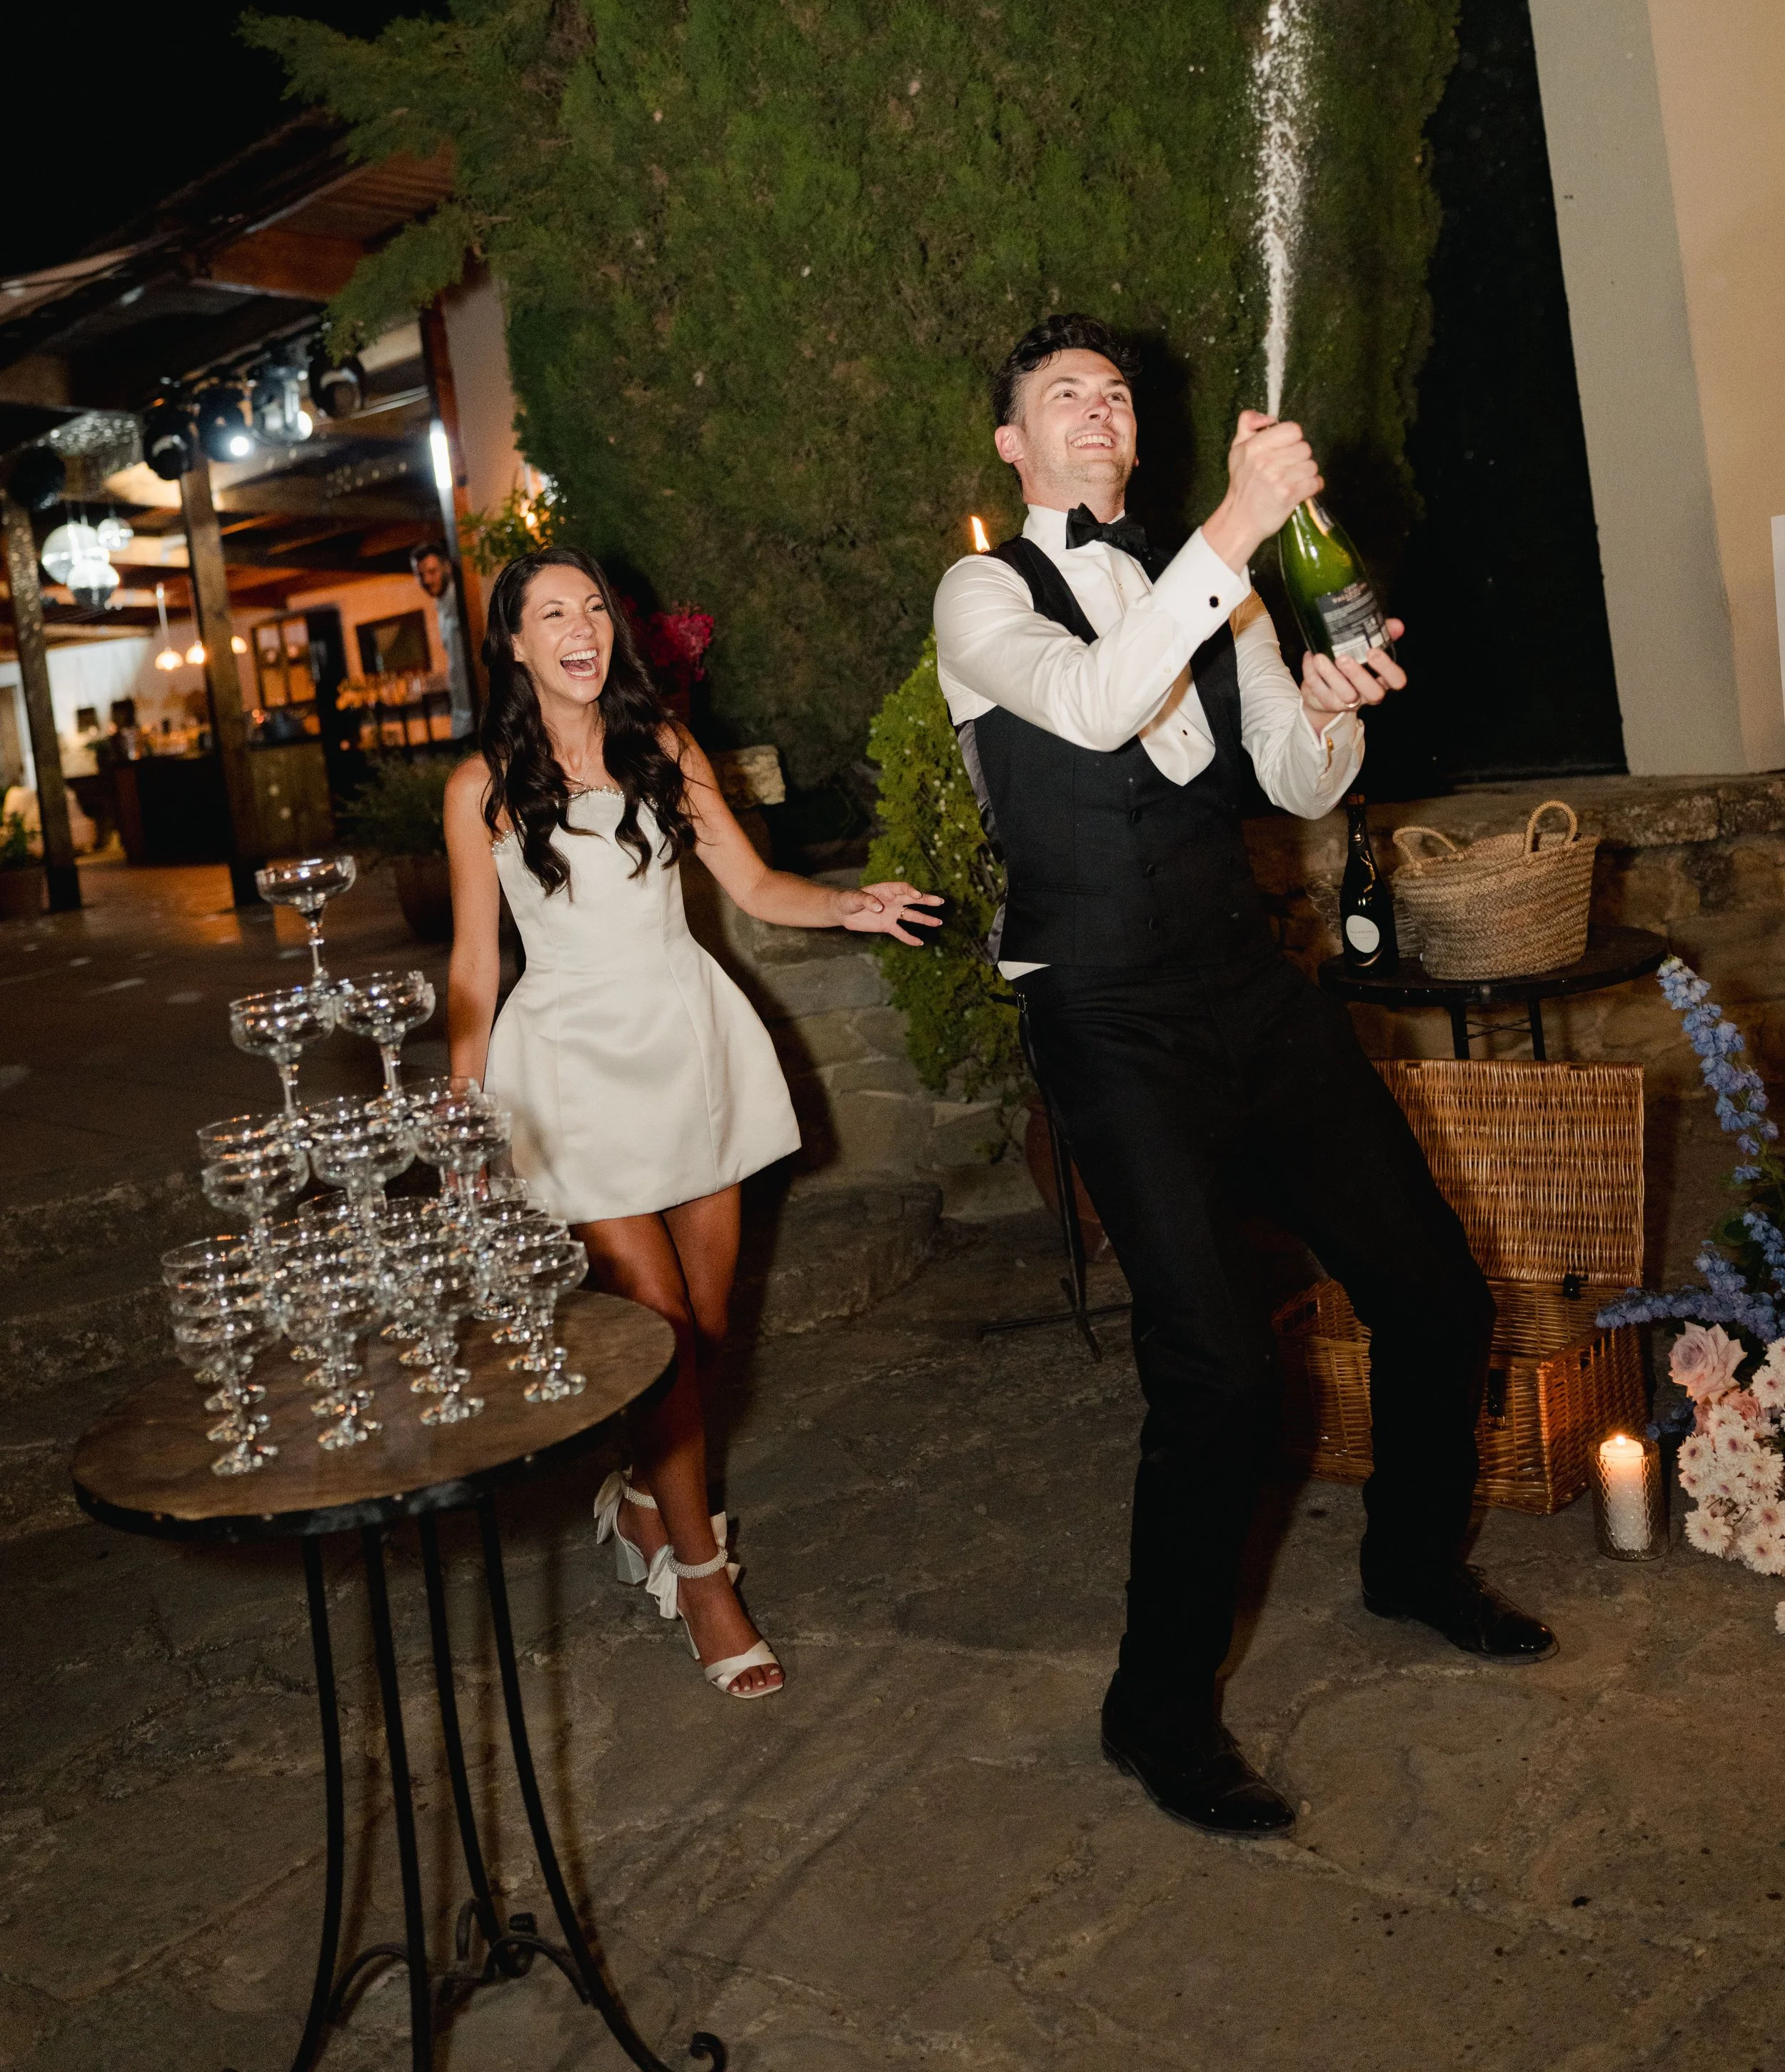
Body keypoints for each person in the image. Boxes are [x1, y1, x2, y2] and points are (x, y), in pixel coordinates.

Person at [934, 314, 1552, 1838]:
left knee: (1432, 1291)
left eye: (1115, 395)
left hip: (1243, 991)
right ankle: (1154, 1713)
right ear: (1013, 443)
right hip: (1105, 1018)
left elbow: (1288, 775)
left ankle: (1410, 1567)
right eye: (1061, 397)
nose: (1096, 410)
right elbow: (1087, 706)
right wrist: (1232, 529)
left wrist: (1330, 716)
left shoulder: (1208, 594)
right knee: (1215, 1367)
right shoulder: (976, 596)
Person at [444, 545, 938, 1701]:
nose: (581, 627)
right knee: (659, 1325)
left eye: (593, 610)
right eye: (550, 612)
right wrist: (468, 1122)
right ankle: (702, 1566)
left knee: (707, 1331)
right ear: (513, 643)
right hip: (568, 1064)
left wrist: (855, 906)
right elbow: (473, 965)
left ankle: (633, 1498)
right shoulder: (480, 785)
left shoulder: (663, 747)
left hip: (686, 1043)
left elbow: (760, 889)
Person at [413, 535, 477, 740]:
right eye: (422, 575)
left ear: (447, 568)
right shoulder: (442, 606)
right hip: (464, 714)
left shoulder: (462, 600)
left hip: (477, 713)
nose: (427, 580)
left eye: (432, 572)